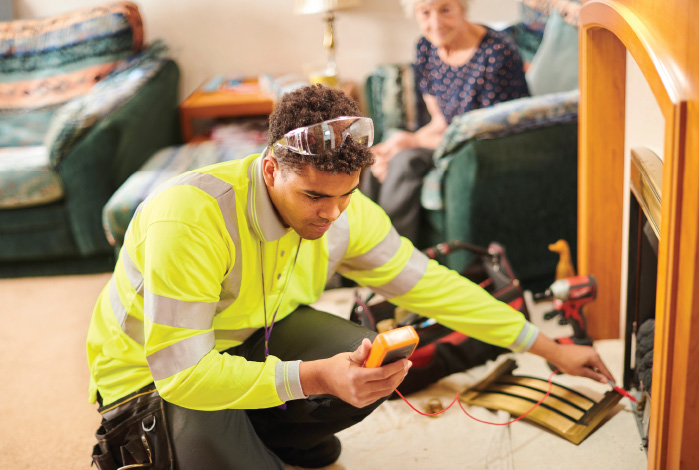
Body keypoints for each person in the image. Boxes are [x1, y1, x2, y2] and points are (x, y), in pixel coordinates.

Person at [87, 84, 612, 470]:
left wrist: (551, 347)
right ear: (271, 169)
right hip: (154, 377)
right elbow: (185, 374)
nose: (331, 214)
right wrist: (315, 377)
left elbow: (433, 285)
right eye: (314, 196)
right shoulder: (191, 216)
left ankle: (269, 430)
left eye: (347, 194)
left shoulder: (344, 211)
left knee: (378, 353)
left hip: (250, 339)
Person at [363, 0, 530, 244]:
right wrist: (404, 140)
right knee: (375, 156)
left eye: (446, 10)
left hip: (488, 147)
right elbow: (441, 120)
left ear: (463, 8)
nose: (435, 23)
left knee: (405, 161)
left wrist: (410, 144)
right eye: (425, 12)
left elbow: (485, 134)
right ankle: (356, 255)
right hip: (453, 137)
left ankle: (391, 261)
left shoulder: (497, 54)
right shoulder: (425, 48)